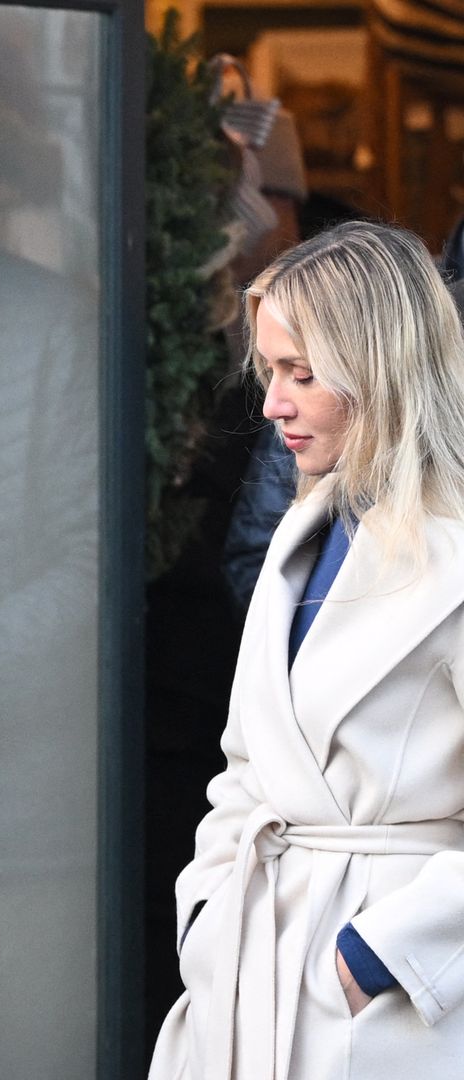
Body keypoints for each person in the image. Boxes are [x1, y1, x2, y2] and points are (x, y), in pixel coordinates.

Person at [148, 220, 464, 1079]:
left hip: (398, 1002)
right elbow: (245, 765)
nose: (271, 405)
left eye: (302, 374)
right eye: (269, 372)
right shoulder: (304, 532)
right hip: (249, 969)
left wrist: (379, 957)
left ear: (381, 374)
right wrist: (206, 915)